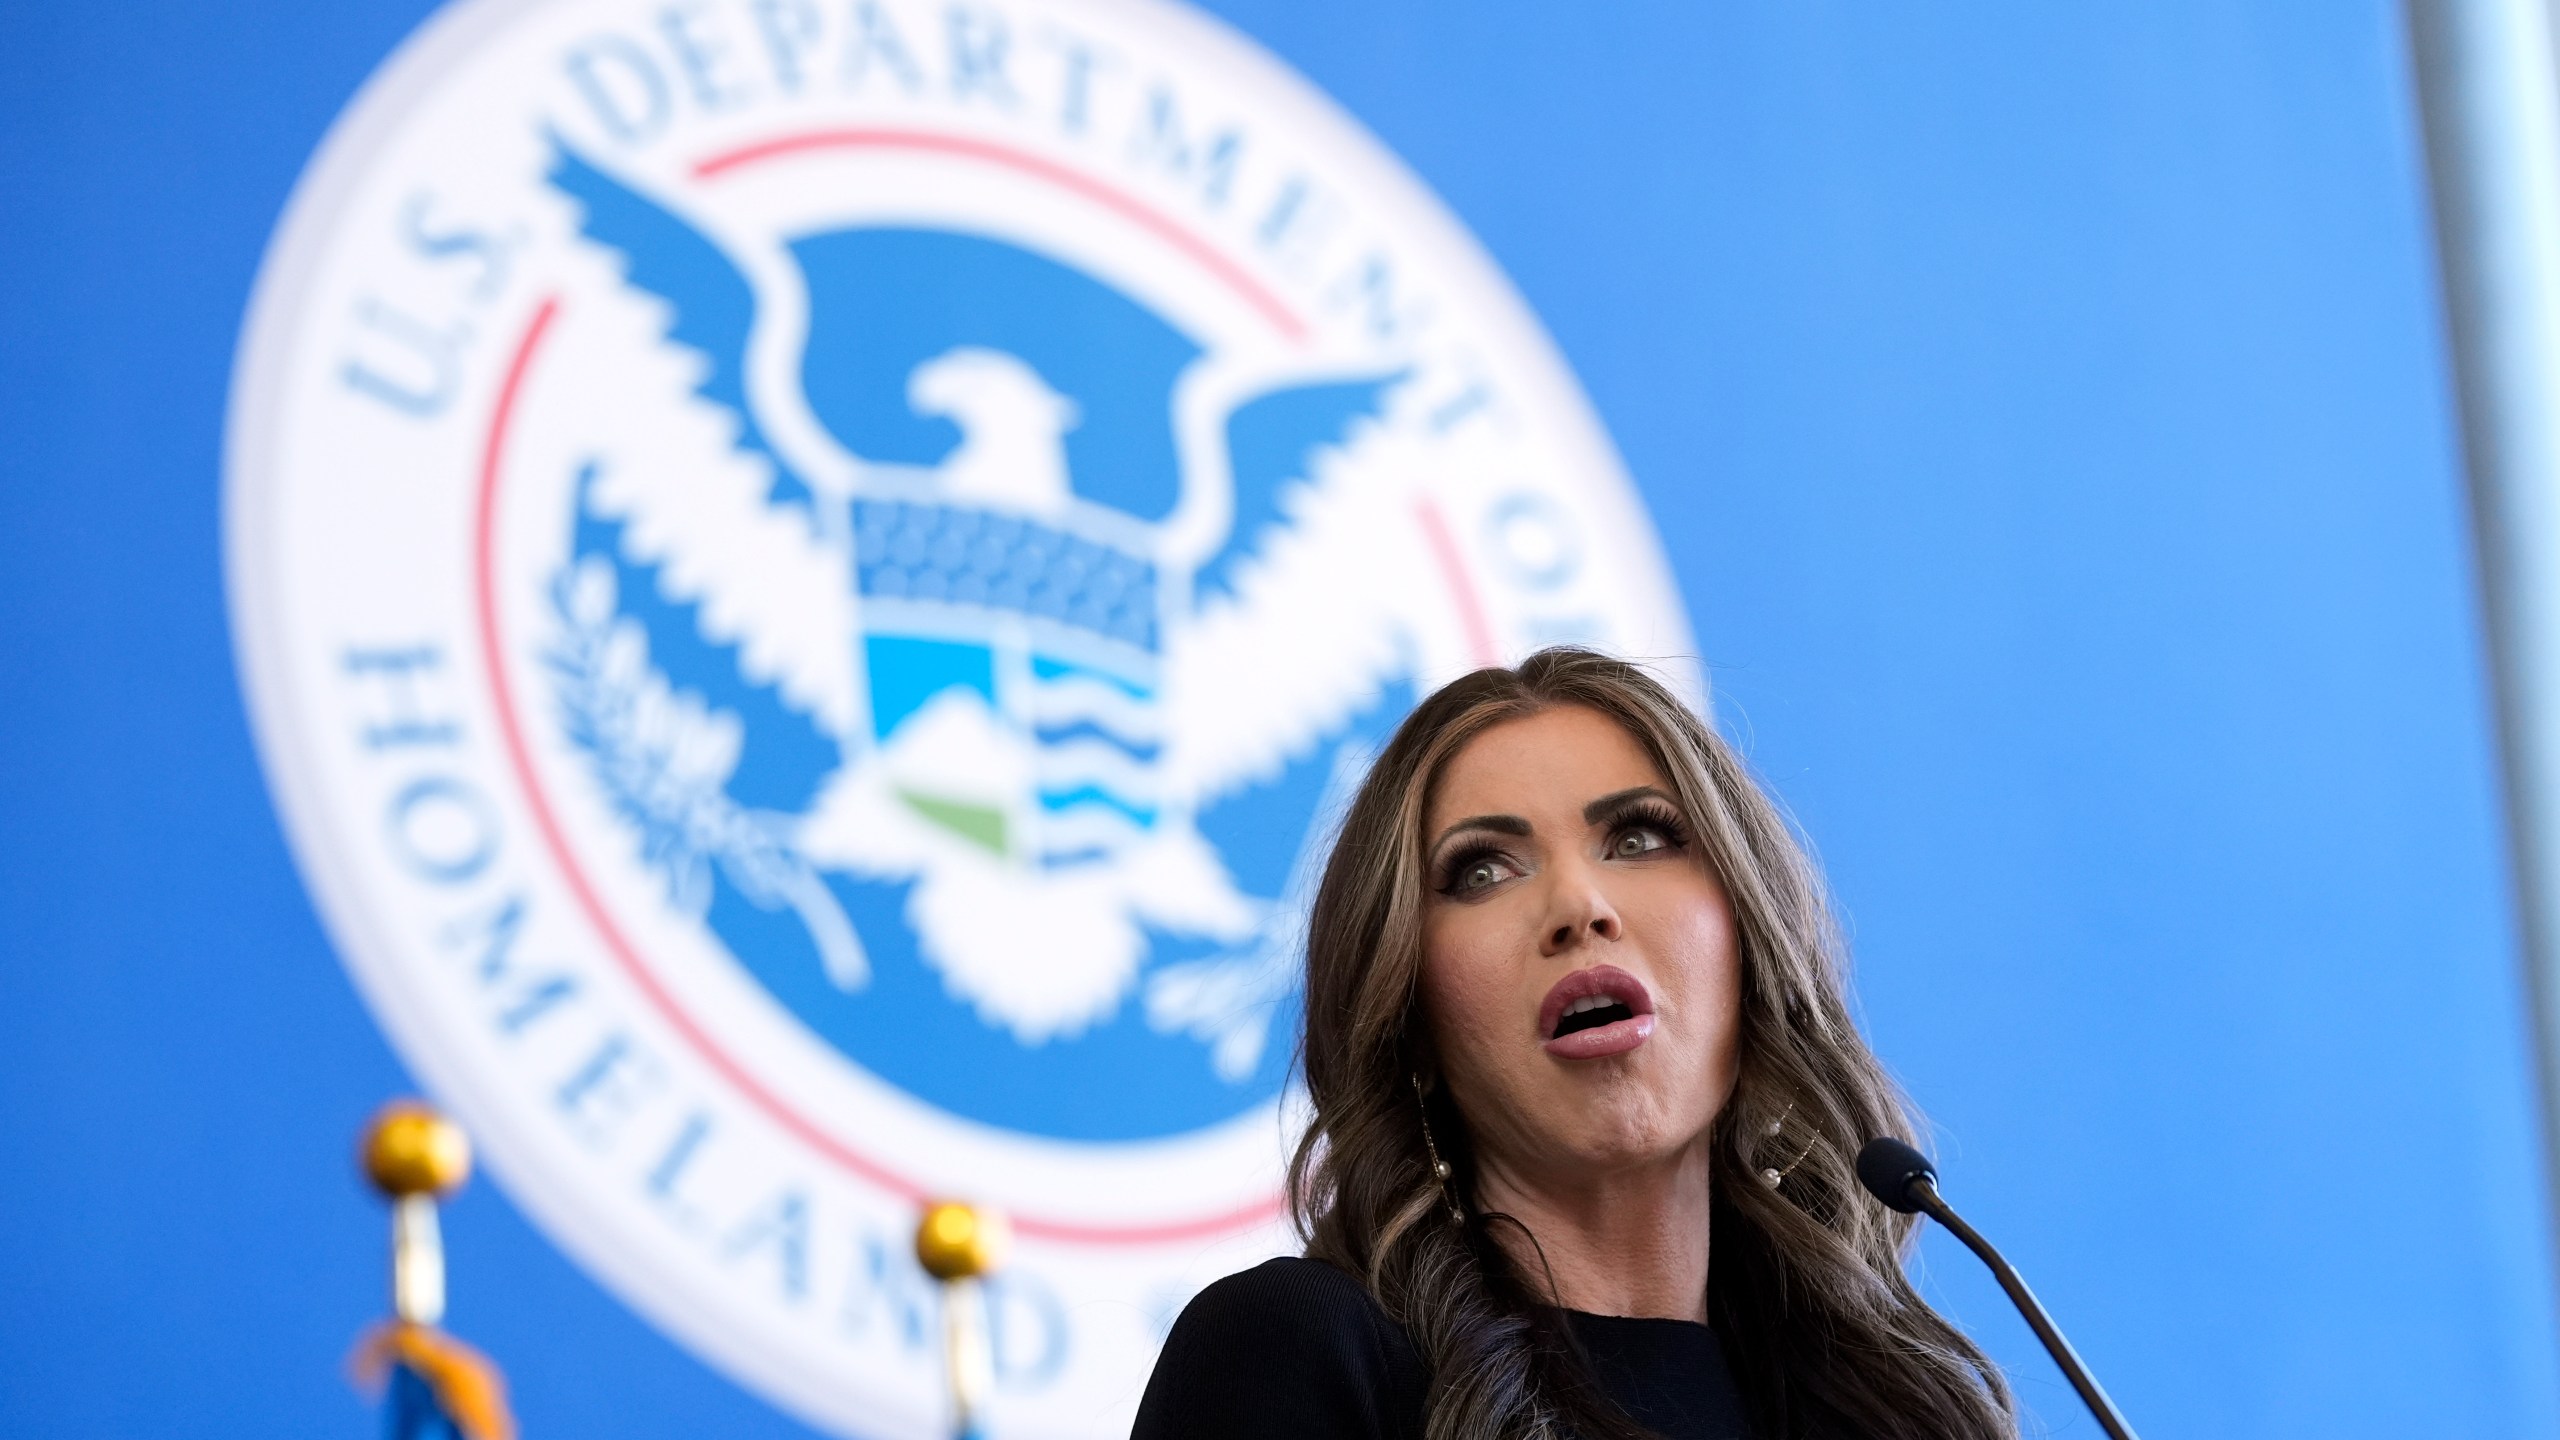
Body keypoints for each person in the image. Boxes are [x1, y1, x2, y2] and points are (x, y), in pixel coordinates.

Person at [1131, 648, 2015, 1440]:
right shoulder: (1299, 1352)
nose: (1578, 905)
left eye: (1639, 837)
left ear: (1749, 945)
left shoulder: (1894, 1404)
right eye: (1482, 870)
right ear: (1409, 1014)